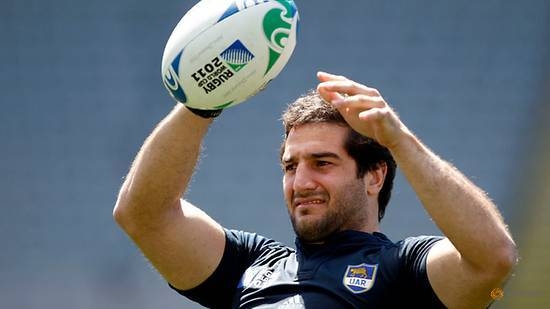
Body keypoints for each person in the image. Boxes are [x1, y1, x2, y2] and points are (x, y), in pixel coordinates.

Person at [113, 71, 517, 308]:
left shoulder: (402, 273)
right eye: (291, 166)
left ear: (375, 176)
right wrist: (201, 104)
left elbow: (492, 259)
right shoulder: (248, 264)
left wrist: (400, 141)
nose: (301, 182)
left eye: (322, 163)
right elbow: (143, 215)